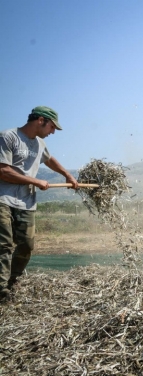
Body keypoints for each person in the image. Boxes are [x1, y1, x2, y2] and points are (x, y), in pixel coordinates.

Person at [0, 106, 78, 302]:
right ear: (41, 120)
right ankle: (1, 292)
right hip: (3, 200)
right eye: (52, 127)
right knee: (4, 246)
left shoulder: (40, 144)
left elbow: (49, 160)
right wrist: (35, 181)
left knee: (26, 245)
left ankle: (12, 282)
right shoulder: (8, 137)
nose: (53, 132)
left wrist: (67, 175)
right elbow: (3, 171)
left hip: (26, 203)